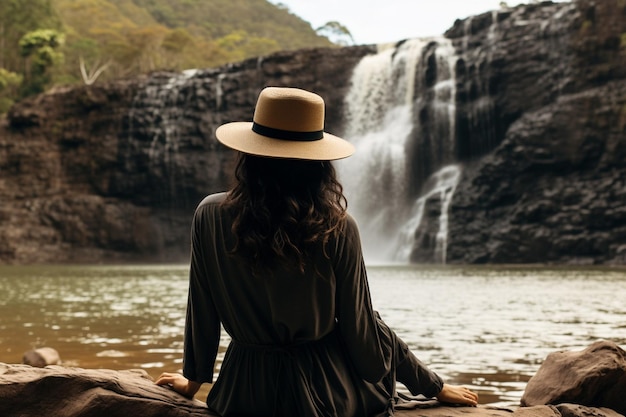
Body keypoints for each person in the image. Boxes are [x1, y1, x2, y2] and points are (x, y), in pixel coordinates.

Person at [156, 87, 478, 416]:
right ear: (318, 163)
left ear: (250, 154)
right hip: (324, 392)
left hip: (242, 392)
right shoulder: (337, 227)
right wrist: (431, 385)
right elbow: (363, 337)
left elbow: (202, 307)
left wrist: (193, 381)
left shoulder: (208, 214)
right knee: (372, 319)